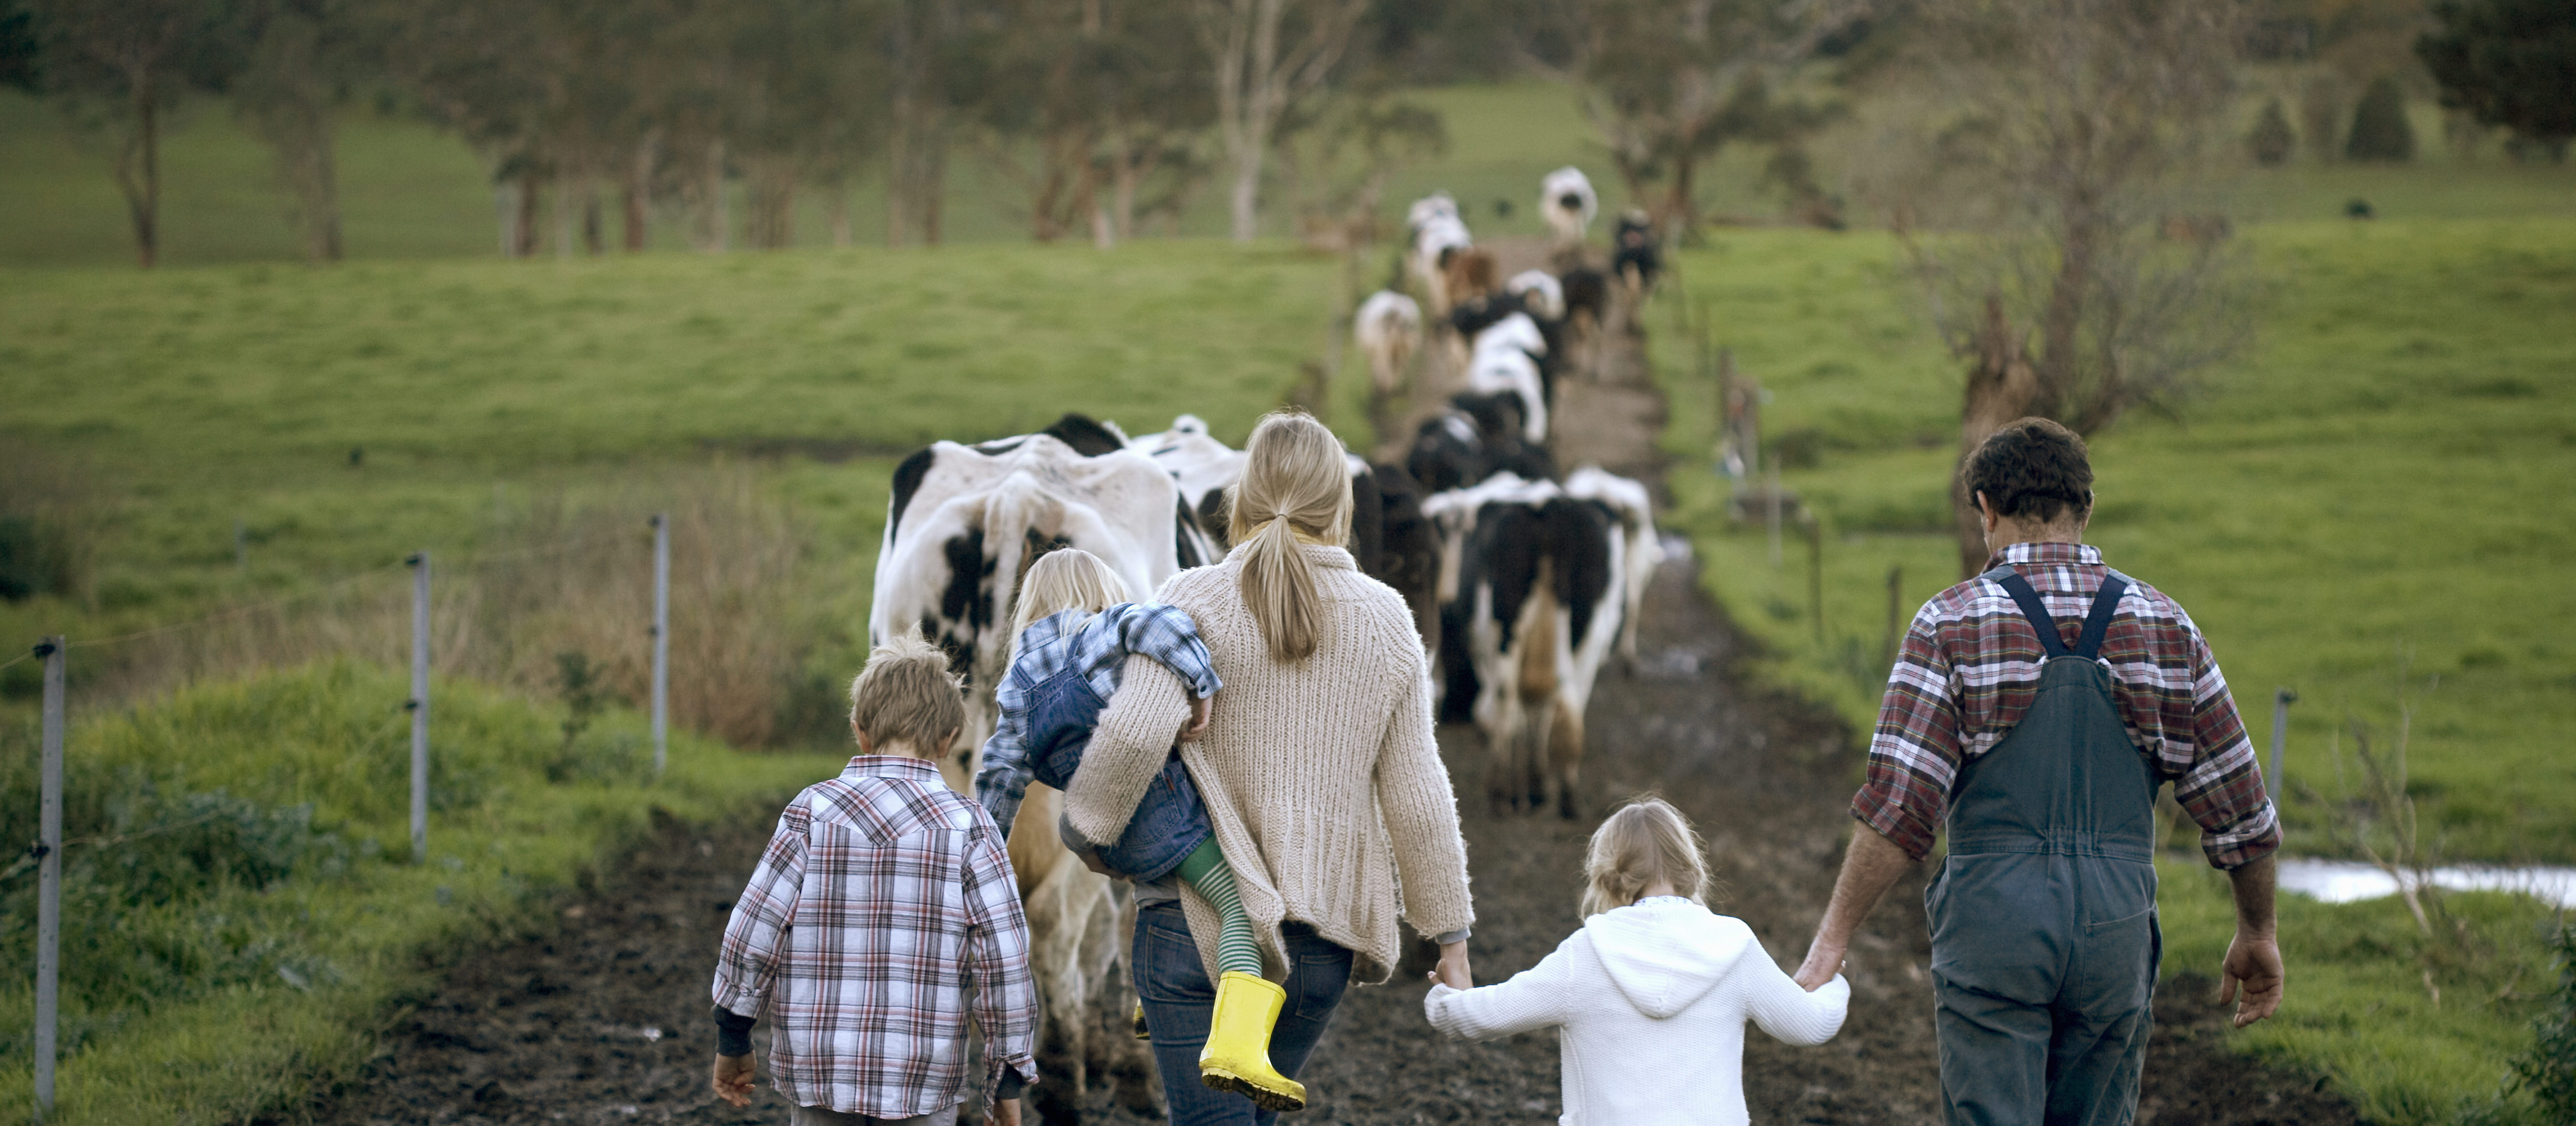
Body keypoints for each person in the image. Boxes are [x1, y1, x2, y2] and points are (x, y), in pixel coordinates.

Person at [1793, 418, 2286, 1125]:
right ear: (2084, 511)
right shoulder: (2164, 625)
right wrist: (2255, 928)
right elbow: (2241, 805)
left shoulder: (1948, 624)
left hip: (1994, 931)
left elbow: (1899, 812)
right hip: (2115, 930)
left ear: (1987, 509)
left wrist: (1833, 936)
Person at [1062, 410, 1476, 1125]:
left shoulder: (1190, 599)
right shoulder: (1386, 620)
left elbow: (1130, 739)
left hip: (1190, 933)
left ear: (1242, 495)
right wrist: (1451, 938)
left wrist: (1087, 830)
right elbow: (1418, 796)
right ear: (1341, 504)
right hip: (1320, 948)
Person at [974, 548, 1296, 1105]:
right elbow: (1160, 621)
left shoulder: (1016, 685)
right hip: (1162, 810)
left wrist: (981, 852)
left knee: (1173, 897)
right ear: (1099, 590)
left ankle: (1158, 1001)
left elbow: (998, 774)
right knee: (1239, 909)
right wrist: (1202, 687)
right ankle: (1238, 1048)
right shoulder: (1098, 630)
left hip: (1106, 838)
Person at [708, 630, 1040, 1126]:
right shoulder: (971, 826)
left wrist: (734, 1035)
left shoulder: (810, 812)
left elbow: (753, 928)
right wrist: (1004, 1077)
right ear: (949, 740)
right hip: (923, 1080)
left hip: (820, 1073)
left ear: (859, 730)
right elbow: (1005, 958)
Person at [1423, 798, 1848, 1126]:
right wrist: (1836, 985)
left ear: (1608, 873)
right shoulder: (1734, 946)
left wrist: (1448, 992)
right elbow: (1810, 1024)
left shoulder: (1585, 953)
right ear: (1690, 866)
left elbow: (1482, 1016)